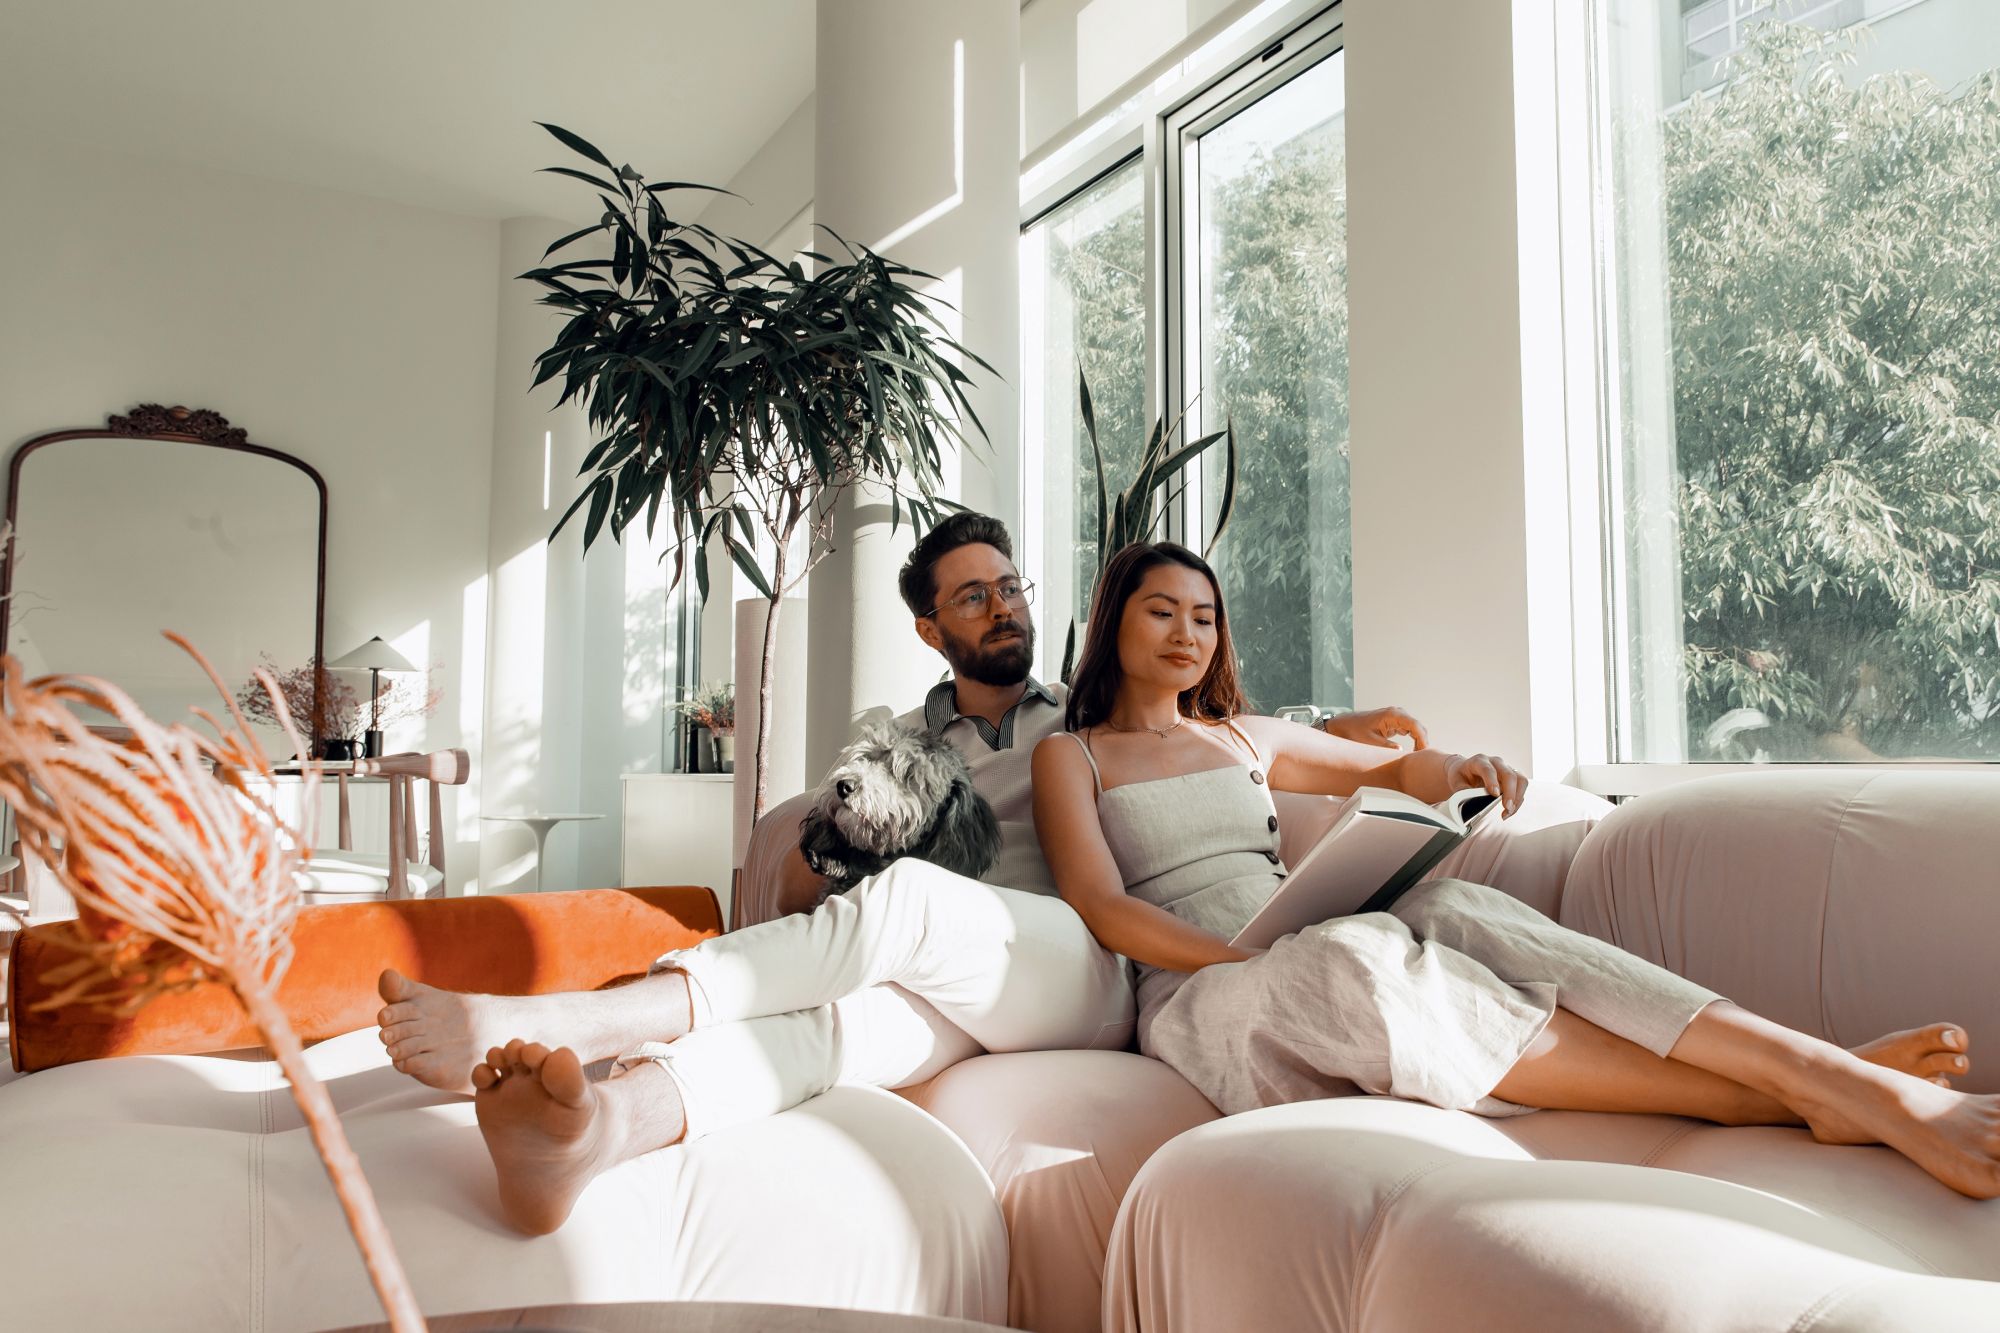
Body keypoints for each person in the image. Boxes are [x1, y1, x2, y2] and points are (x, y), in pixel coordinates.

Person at [375, 512, 1425, 1234]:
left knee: (921, 904)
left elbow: (1211, 723)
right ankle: (599, 1133)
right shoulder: (892, 742)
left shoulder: (1085, 714)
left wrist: (1355, 727)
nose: (1003, 608)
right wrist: (840, 830)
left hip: (1078, 961)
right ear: (932, 629)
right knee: (844, 1030)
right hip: (948, 976)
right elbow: (794, 891)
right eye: (972, 598)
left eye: (1009, 586)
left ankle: (583, 1021)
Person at [1030, 540, 1996, 1199]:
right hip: (1203, 999)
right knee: (1344, 959)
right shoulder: (1071, 757)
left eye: (1204, 616)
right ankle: (1826, 1090)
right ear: (1114, 620)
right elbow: (1102, 905)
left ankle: (1815, 1071)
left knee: (1451, 896)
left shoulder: (1241, 736)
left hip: (1303, 939)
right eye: (1162, 611)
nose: (1187, 634)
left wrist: (1459, 769)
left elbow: (1395, 767)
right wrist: (1239, 960)